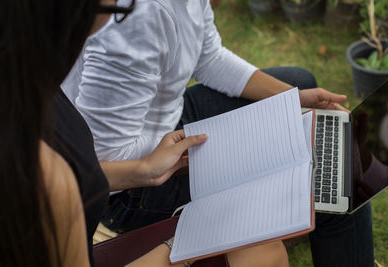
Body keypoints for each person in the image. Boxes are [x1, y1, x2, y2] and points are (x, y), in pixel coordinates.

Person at [62, 0, 375, 266]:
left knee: (299, 81)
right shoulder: (137, 20)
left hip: (167, 122)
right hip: (129, 190)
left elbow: (208, 56)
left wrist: (291, 99)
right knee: (337, 186)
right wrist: (243, 141)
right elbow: (105, 156)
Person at [0, 0, 289, 266]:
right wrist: (179, 248)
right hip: (116, 202)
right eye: (115, 9)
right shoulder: (44, 173)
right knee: (264, 243)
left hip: (142, 152)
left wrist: (144, 170)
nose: (112, 22)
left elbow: (86, 171)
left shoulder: (29, 100)